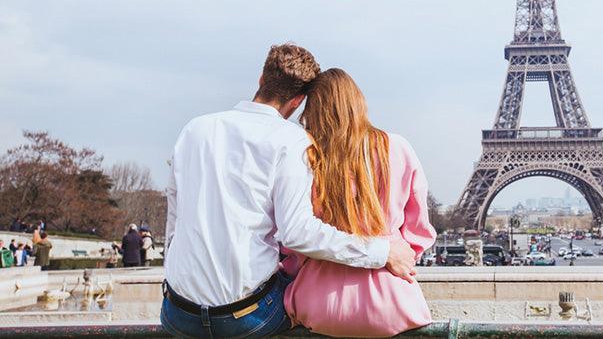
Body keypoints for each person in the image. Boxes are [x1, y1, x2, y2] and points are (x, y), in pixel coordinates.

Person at [160, 44, 416, 339]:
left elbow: (175, 221)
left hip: (178, 313)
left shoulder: (195, 129)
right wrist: (382, 251)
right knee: (301, 289)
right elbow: (298, 234)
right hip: (245, 318)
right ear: (298, 102)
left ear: (260, 79)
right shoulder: (291, 141)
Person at [282, 68, 436, 337]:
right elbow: (419, 232)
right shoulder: (397, 147)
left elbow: (294, 239)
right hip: (389, 302)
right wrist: (395, 257)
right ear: (358, 102)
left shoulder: (308, 156)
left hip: (318, 304)